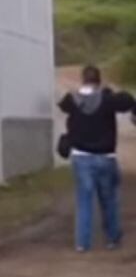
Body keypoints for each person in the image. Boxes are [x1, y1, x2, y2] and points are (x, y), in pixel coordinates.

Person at [58, 64, 136, 252]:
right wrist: (110, 90)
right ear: (99, 80)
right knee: (109, 201)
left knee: (84, 201)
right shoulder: (108, 99)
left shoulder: (72, 99)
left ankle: (82, 243)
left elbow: (63, 105)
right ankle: (112, 239)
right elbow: (128, 101)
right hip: (105, 157)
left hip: (81, 157)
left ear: (83, 79)